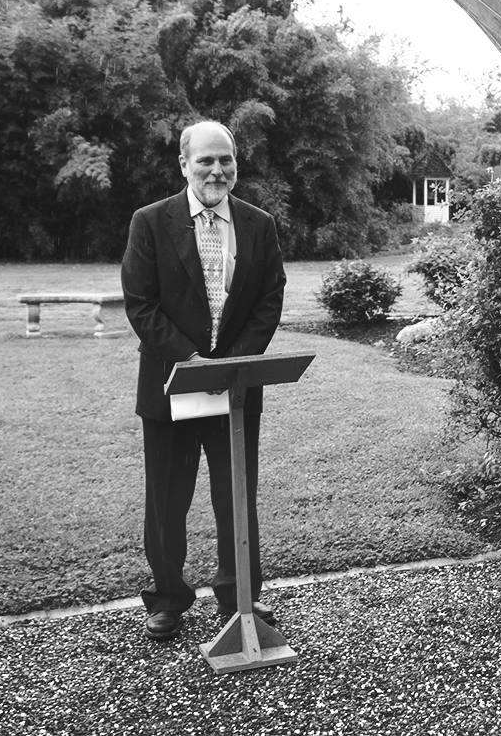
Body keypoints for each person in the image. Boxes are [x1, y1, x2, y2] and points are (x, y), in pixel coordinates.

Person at [120, 120, 287, 641]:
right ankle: (168, 598)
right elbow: (141, 305)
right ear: (184, 165)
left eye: (226, 160)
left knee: (237, 497)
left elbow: (269, 299)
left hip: (236, 388)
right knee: (167, 501)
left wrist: (230, 366)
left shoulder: (259, 224)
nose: (217, 170)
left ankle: (240, 598)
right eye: (206, 161)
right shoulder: (150, 222)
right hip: (170, 386)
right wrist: (191, 361)